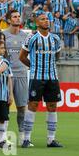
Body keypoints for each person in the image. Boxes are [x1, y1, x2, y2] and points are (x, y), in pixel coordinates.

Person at [20, 12, 63, 148]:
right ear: (37, 23)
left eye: (47, 19)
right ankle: (26, 139)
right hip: (36, 77)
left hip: (52, 77)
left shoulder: (55, 38)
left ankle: (51, 140)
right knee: (32, 105)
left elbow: (57, 56)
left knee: (52, 106)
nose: (46, 21)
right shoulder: (31, 37)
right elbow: (22, 56)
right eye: (43, 19)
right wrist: (34, 67)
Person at [3, 10, 30, 145]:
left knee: (21, 107)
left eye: (19, 16)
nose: (17, 18)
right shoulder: (3, 35)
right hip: (7, 76)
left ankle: (22, 137)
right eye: (14, 16)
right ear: (8, 20)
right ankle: (3, 136)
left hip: (21, 74)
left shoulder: (25, 36)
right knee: (5, 106)